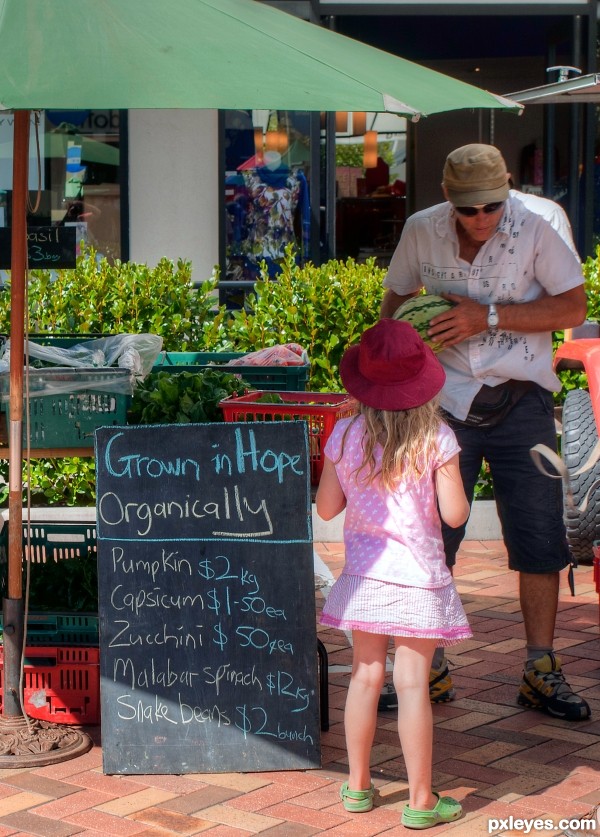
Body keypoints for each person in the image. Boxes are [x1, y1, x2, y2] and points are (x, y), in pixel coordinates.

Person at [379, 143, 590, 721]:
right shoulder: (423, 230)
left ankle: (541, 669)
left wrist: (485, 317)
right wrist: (391, 355)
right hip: (442, 400)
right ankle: (430, 666)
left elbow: (572, 306)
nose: (480, 218)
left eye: (491, 206)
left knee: (541, 537)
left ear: (509, 190)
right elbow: (394, 298)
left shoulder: (538, 225)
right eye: (469, 208)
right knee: (428, 536)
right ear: (447, 197)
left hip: (523, 399)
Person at [316, 319, 472, 828]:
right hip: (419, 578)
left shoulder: (345, 433)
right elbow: (454, 516)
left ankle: (359, 788)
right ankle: (420, 800)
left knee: (364, 677)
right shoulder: (438, 437)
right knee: (411, 686)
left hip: (365, 576)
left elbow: (325, 509)